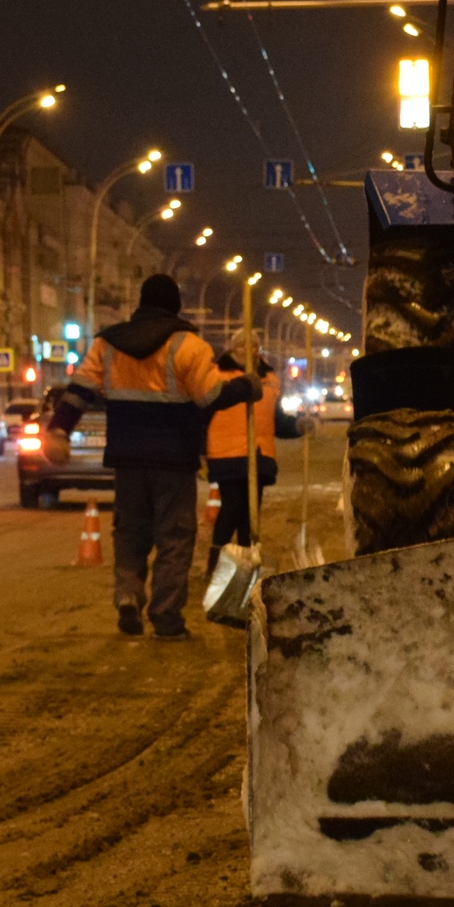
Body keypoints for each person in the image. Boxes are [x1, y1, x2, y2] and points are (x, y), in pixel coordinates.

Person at [51, 274, 257, 639]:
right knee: (174, 538)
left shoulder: (107, 344)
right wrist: (244, 386)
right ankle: (166, 617)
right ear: (175, 305)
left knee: (129, 532)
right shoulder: (189, 346)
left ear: (140, 304)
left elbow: (79, 390)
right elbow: (210, 397)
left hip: (127, 459)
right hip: (174, 461)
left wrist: (58, 430)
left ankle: (129, 594)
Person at [204, 350, 280, 571]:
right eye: (243, 347)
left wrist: (297, 426)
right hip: (228, 455)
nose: (249, 352)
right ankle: (217, 564)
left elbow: (276, 419)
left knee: (250, 513)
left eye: (254, 347)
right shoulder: (218, 375)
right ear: (232, 349)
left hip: (260, 456)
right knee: (232, 508)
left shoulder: (270, 381)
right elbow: (204, 414)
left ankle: (246, 565)